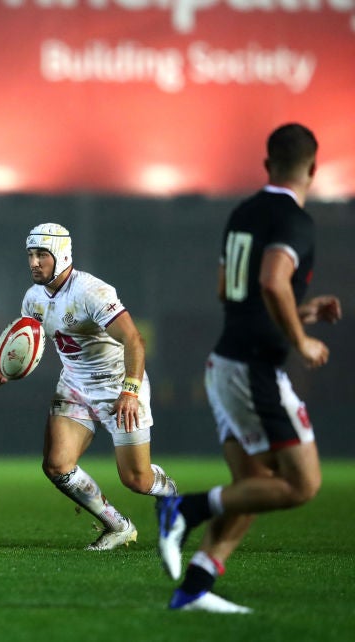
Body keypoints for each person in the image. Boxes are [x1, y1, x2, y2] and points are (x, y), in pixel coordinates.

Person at [156, 123, 341, 614]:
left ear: (266, 165)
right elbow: (272, 282)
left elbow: (230, 291)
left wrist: (301, 312)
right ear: (314, 168)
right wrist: (301, 340)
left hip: (227, 362)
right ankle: (185, 508)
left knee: (251, 488)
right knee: (303, 485)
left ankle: (194, 587)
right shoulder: (296, 221)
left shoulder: (243, 212)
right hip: (255, 369)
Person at [0, 223, 178, 551]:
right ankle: (118, 526)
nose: (34, 262)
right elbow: (31, 347)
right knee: (56, 465)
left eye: (42, 254)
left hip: (118, 387)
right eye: (30, 254)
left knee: (137, 480)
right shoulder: (33, 298)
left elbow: (134, 340)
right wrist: (6, 375)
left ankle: (170, 492)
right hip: (73, 385)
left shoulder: (91, 292)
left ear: (62, 254)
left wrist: (130, 391)